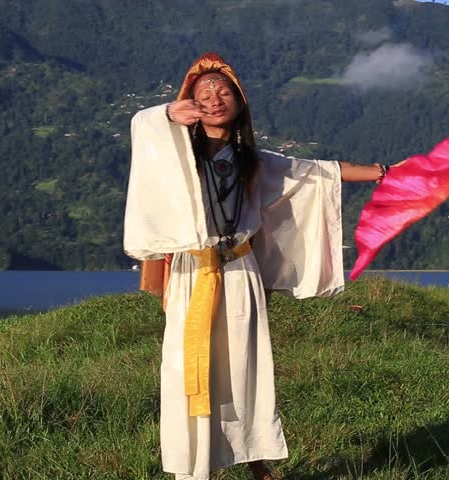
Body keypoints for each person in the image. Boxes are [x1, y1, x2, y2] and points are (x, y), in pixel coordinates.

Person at [123, 52, 391, 480]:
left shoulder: (256, 161)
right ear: (188, 102)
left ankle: (256, 460)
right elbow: (144, 127)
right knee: (186, 367)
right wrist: (167, 114)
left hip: (239, 271)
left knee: (245, 368)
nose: (214, 99)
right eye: (204, 92)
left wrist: (385, 172)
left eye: (224, 92)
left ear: (240, 103)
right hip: (194, 273)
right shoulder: (176, 156)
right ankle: (193, 466)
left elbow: (317, 173)